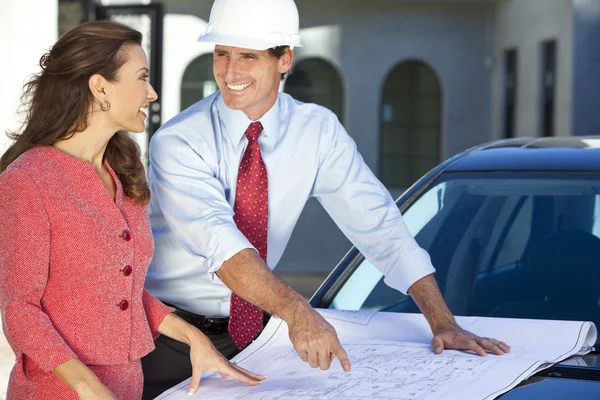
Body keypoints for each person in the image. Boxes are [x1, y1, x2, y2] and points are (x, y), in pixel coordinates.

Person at [141, 0, 511, 397]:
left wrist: (442, 321)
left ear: (285, 58)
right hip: (167, 338)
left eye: (247, 56)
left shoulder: (317, 131)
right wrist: (298, 312)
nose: (230, 72)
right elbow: (222, 245)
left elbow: (379, 225)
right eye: (221, 54)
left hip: (257, 338)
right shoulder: (178, 142)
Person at [0, 20, 265, 400]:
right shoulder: (27, 181)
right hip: (56, 389)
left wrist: (194, 339)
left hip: (128, 384)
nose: (152, 93)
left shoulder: (123, 170)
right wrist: (89, 388)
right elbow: (20, 311)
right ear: (99, 86)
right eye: (142, 77)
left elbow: (120, 291)